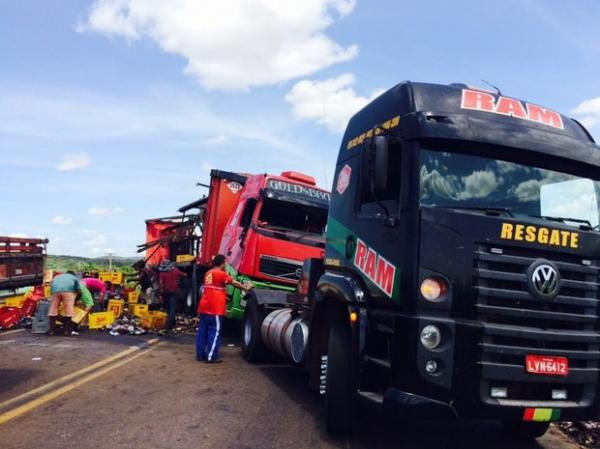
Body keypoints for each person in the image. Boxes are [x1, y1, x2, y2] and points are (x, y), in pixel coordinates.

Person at [196, 255, 253, 363]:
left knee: (202, 332)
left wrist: (224, 296)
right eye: (225, 263)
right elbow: (234, 283)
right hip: (215, 309)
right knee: (215, 332)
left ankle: (200, 355)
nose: (226, 265)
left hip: (204, 306)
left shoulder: (208, 273)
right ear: (222, 263)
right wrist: (246, 288)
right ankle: (211, 357)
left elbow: (214, 288)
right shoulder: (221, 274)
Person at [48, 271, 83, 336]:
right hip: (68, 292)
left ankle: (51, 331)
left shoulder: (57, 277)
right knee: (69, 311)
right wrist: (76, 299)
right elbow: (79, 291)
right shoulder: (74, 278)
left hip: (55, 291)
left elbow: (51, 287)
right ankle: (66, 331)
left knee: (52, 311)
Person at [158, 260, 186, 330]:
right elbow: (184, 275)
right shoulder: (175, 271)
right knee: (173, 308)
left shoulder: (162, 274)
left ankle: (171, 323)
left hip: (166, 292)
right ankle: (170, 324)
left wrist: (160, 294)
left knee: (168, 308)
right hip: (174, 291)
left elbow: (161, 284)